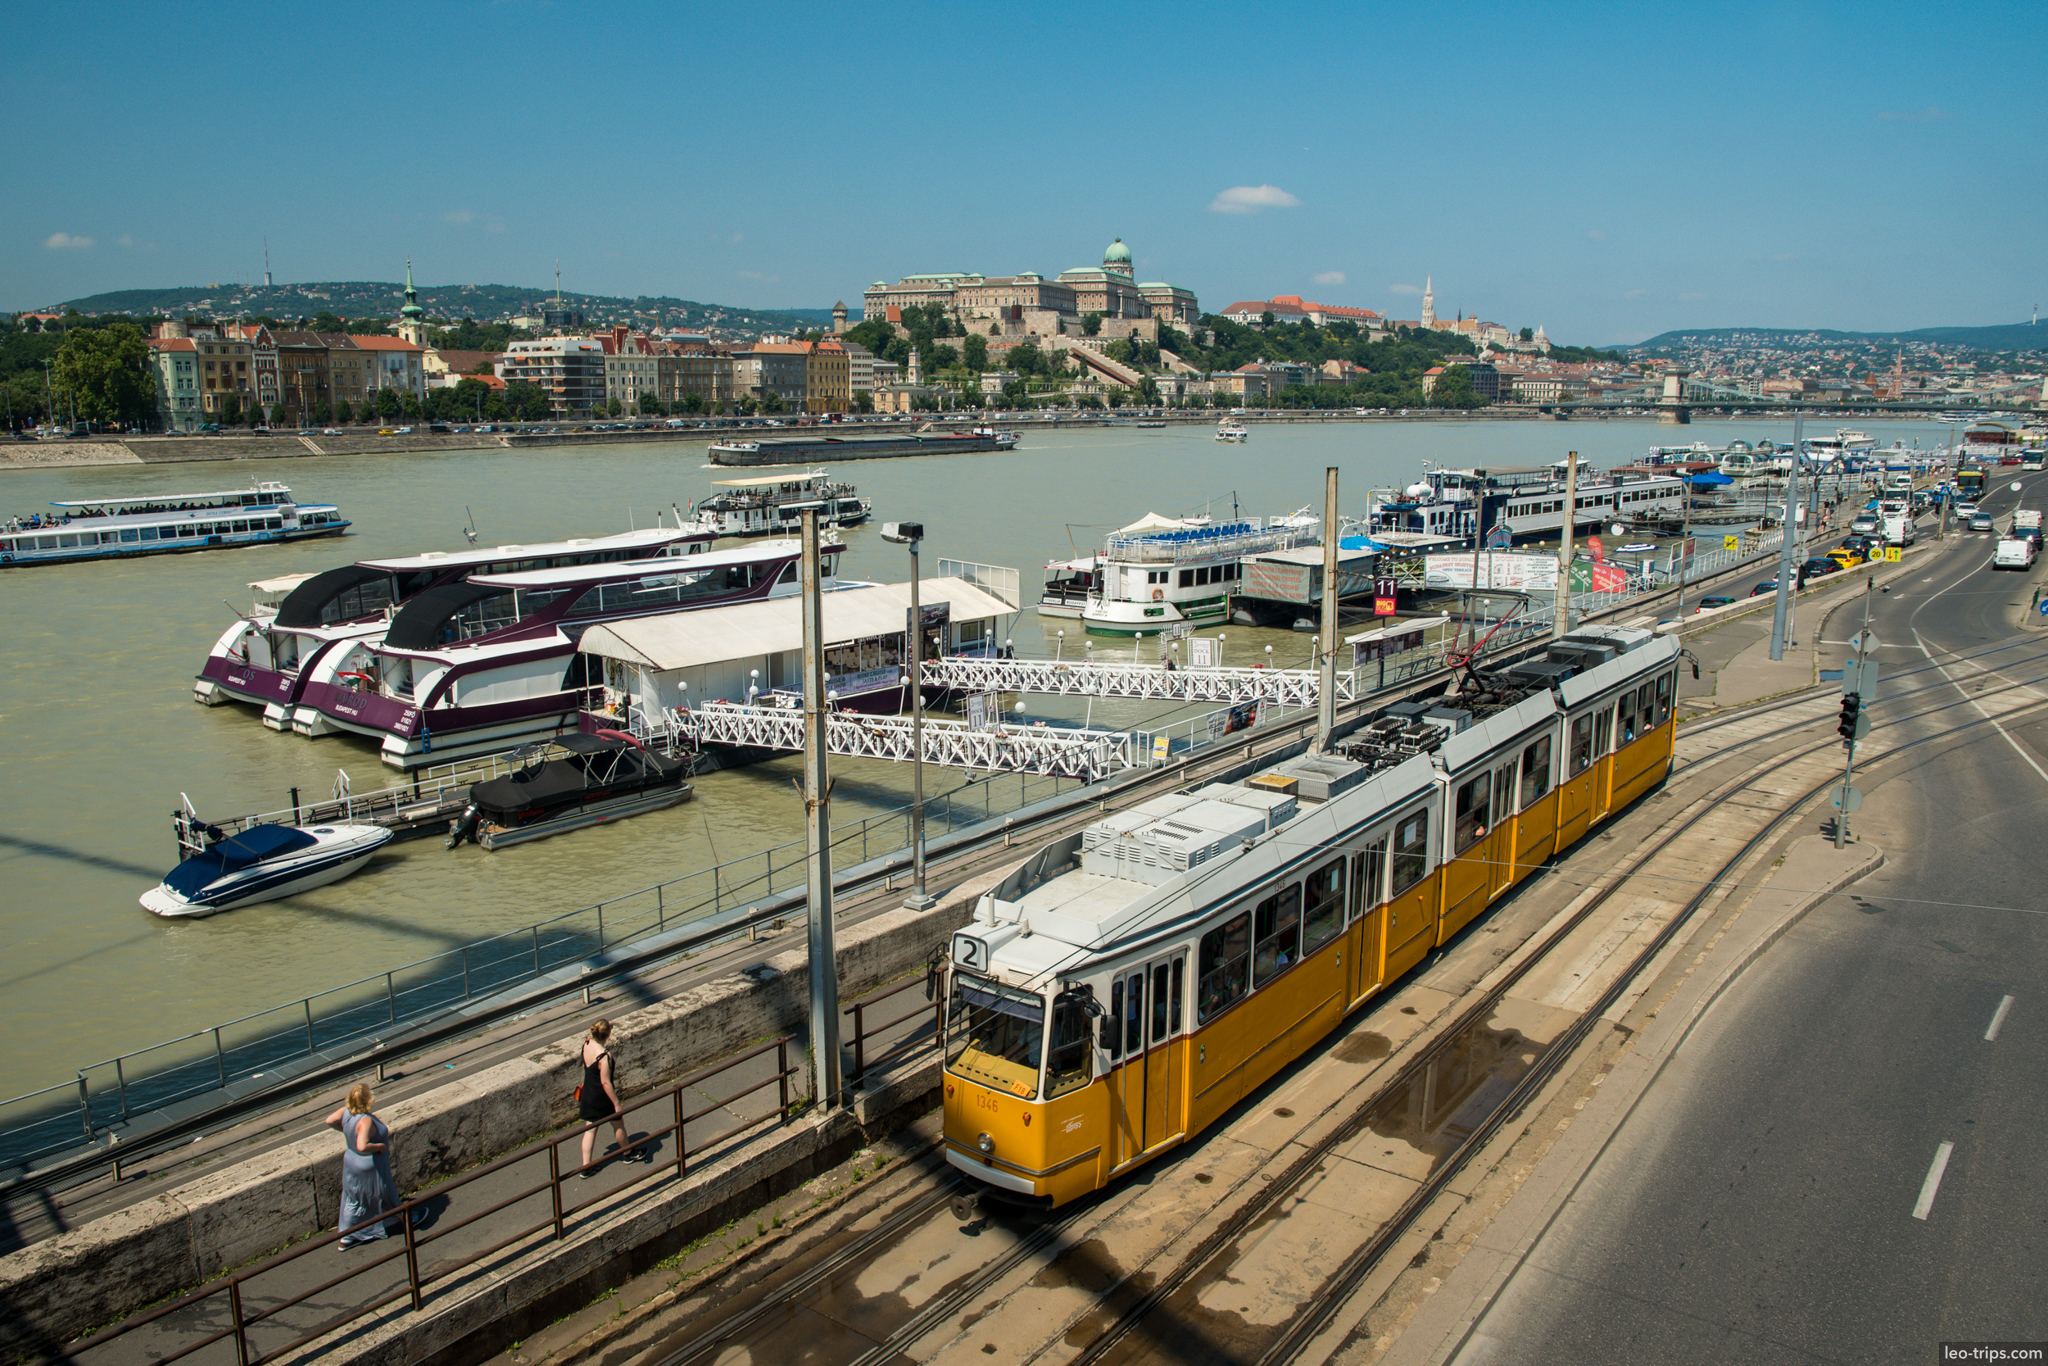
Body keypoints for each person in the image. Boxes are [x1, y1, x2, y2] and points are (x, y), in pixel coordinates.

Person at [326, 1083, 406, 1247]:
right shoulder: (365, 1120)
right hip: (369, 1165)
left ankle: (347, 1235)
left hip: (351, 1161)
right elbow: (363, 1145)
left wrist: (346, 1131)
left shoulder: (345, 1112)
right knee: (382, 1192)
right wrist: (380, 1147)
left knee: (354, 1198)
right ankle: (402, 1219)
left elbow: (329, 1121)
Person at [577, 1019, 640, 1175]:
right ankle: (628, 1153)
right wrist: (616, 1103)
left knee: (590, 1130)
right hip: (602, 1098)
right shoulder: (603, 1056)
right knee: (618, 1125)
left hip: (588, 1095)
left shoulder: (586, 1045)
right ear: (607, 1035)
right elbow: (606, 1083)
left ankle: (586, 1167)